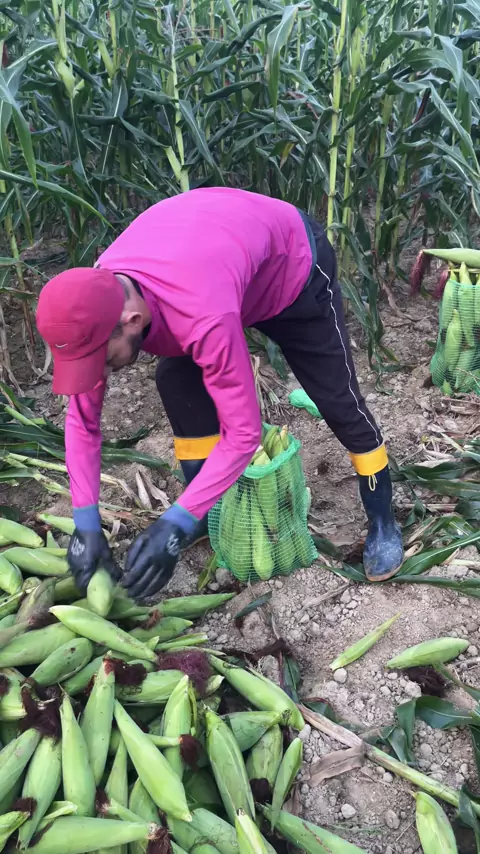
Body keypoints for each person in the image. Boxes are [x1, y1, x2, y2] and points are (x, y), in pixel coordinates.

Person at [36, 187, 403, 602]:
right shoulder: (93, 304)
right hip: (218, 273)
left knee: (337, 400)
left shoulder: (201, 313)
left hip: (291, 269)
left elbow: (243, 434)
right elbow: (83, 422)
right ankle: (203, 511)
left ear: (132, 320)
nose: (98, 375)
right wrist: (85, 523)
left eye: (102, 362)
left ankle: (383, 519)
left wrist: (173, 524)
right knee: (177, 381)